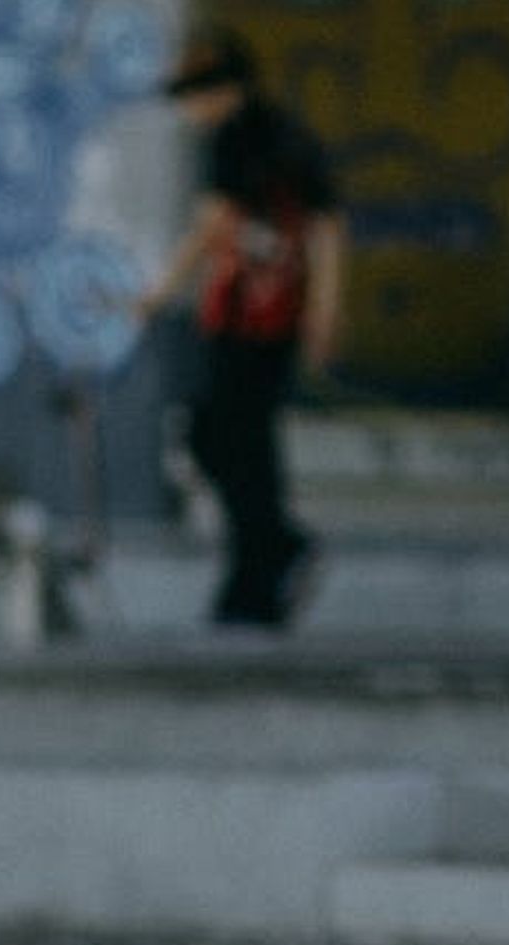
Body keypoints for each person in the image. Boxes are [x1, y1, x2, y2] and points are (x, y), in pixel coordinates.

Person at [138, 25, 344, 629]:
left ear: (224, 90)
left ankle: (268, 555)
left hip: (245, 317)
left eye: (195, 95)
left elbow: (212, 226)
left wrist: (157, 295)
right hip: (275, 315)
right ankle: (260, 565)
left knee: (219, 436)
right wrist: (324, 308)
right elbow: (327, 227)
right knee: (245, 442)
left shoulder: (235, 140)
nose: (190, 110)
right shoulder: (287, 135)